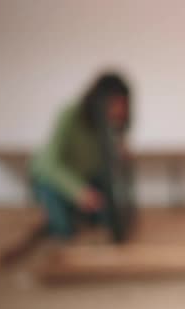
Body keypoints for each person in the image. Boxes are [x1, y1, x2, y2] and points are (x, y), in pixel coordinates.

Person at [30, 73, 132, 238]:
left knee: (109, 219)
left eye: (123, 104)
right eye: (115, 103)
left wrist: (117, 153)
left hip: (86, 178)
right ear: (99, 100)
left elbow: (100, 163)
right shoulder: (70, 114)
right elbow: (49, 164)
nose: (119, 110)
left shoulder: (109, 126)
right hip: (51, 179)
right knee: (63, 230)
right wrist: (77, 191)